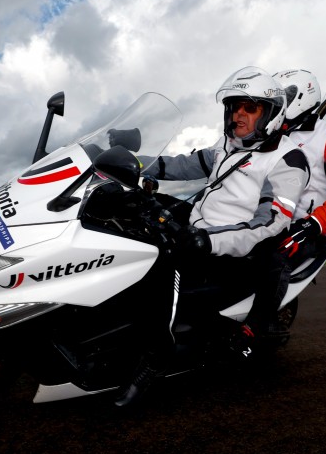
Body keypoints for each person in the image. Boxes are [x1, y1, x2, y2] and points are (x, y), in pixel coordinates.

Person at [115, 66, 310, 407]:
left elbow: (270, 222)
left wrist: (209, 240)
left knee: (163, 263)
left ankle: (156, 355)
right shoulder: (227, 146)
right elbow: (177, 165)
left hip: (234, 250)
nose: (238, 114)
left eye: (250, 108)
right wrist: (129, 162)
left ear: (271, 114)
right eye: (234, 107)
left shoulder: (287, 160)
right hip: (199, 231)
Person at [236, 68, 326, 349]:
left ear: (303, 97)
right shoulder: (273, 132)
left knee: (275, 252)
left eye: (286, 96)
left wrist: (312, 224)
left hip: (308, 226)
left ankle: (258, 326)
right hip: (267, 214)